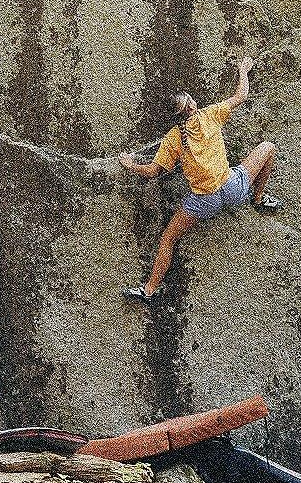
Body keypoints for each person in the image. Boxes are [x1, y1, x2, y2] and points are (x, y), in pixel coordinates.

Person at [118, 56, 281, 305]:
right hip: (233, 186)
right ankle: (258, 198)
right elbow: (241, 96)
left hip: (204, 202)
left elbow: (153, 171)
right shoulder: (208, 115)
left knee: (168, 238)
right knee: (268, 147)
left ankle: (149, 290)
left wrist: (131, 165)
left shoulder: (173, 139)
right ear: (193, 104)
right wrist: (242, 70)